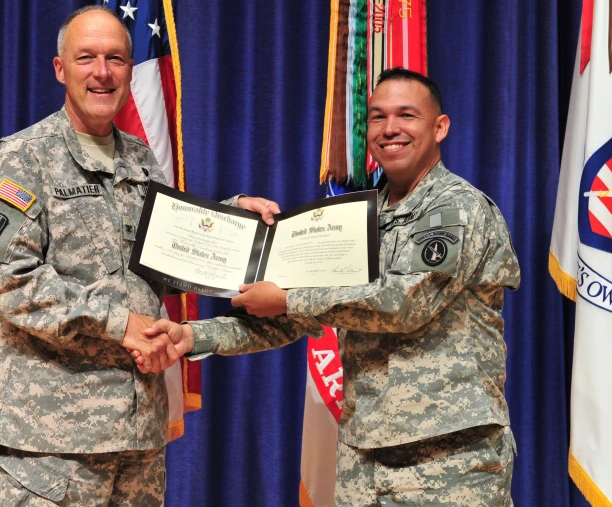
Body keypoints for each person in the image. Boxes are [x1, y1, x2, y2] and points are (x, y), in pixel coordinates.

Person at [138, 68, 521, 506]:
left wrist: (288, 297)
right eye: (377, 117)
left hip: (448, 458)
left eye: (406, 115)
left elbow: (402, 304)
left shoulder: (455, 208)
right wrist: (193, 335)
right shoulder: (358, 221)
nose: (390, 128)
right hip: (364, 454)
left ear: (439, 127)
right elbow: (295, 316)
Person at [0, 5, 278, 506]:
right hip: (52, 443)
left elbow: (164, 253)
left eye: (116, 58)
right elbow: (11, 282)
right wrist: (120, 324)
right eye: (86, 57)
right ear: (60, 68)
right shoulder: (23, 157)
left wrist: (235, 221)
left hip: (138, 435)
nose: (102, 72)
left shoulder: (138, 157)